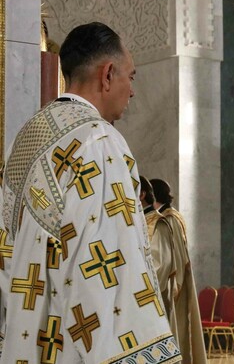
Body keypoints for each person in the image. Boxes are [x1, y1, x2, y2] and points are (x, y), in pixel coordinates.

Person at [0, 22, 181, 362]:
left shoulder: (25, 139)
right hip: (69, 343)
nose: (133, 91)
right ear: (107, 75)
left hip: (21, 338)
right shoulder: (99, 141)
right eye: (131, 76)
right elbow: (106, 269)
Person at [149, 178, 206, 364]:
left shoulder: (168, 219)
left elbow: (173, 256)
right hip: (175, 278)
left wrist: (171, 284)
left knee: (179, 331)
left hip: (175, 282)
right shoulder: (167, 215)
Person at [139, 176, 175, 321]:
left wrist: (141, 293)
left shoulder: (157, 222)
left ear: (142, 194)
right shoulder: (139, 221)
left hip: (150, 301)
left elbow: (161, 264)